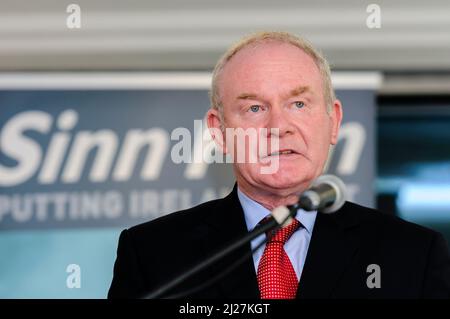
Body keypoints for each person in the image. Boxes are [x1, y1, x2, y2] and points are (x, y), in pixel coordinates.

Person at [108, 31, 450, 299]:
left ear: (334, 122)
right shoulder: (154, 255)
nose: (278, 126)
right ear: (220, 132)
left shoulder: (412, 255)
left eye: (298, 104)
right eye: (254, 108)